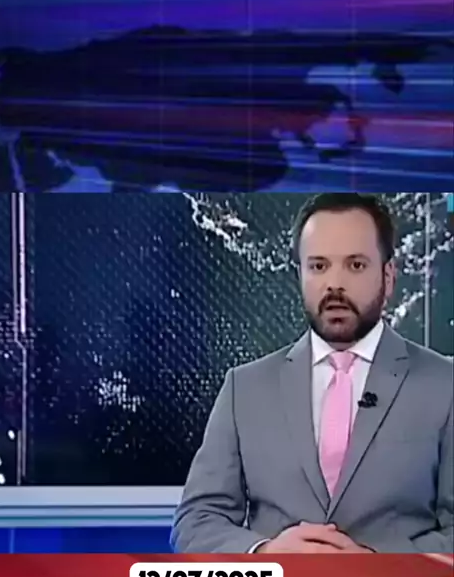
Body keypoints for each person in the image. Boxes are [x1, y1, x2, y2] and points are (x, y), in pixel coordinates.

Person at [171, 193, 453, 554]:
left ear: (388, 276)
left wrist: (379, 564)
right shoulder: (245, 389)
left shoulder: (445, 385)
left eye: (355, 265)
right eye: (319, 266)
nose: (335, 284)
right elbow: (196, 522)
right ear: (299, 275)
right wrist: (265, 553)